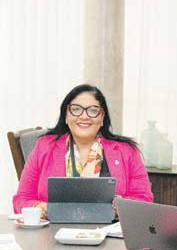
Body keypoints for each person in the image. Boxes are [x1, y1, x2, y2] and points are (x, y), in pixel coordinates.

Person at [12, 83, 153, 216]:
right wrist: (41, 208)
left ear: (102, 118)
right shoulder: (44, 147)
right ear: (66, 116)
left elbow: (144, 199)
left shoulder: (127, 151)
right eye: (76, 109)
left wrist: (121, 206)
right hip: (54, 230)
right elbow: (21, 199)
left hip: (108, 230)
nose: (84, 116)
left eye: (93, 110)